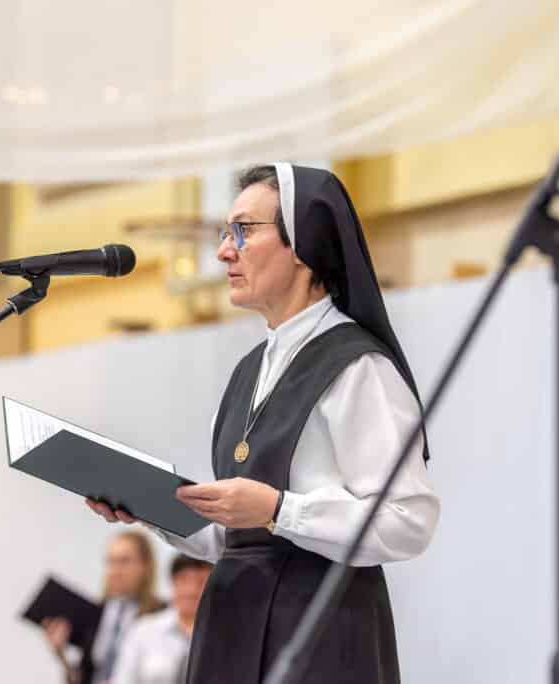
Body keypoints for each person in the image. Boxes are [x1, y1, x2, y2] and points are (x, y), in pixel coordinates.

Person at [85, 164, 440, 683]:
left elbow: (408, 521)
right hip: (233, 626)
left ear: (303, 245)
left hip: (320, 633)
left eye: (243, 232)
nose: (224, 252)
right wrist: (149, 506)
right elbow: (236, 539)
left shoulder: (358, 367)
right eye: (224, 233)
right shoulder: (249, 371)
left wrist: (279, 510)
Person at [42, 530, 164, 684]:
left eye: (124, 561)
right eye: (110, 561)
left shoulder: (162, 616)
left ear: (145, 565)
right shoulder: (97, 614)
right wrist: (60, 653)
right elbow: (82, 678)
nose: (115, 571)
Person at [112, 555, 212, 684]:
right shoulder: (143, 631)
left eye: (201, 582)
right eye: (184, 580)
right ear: (173, 583)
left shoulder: (221, 635)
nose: (191, 590)